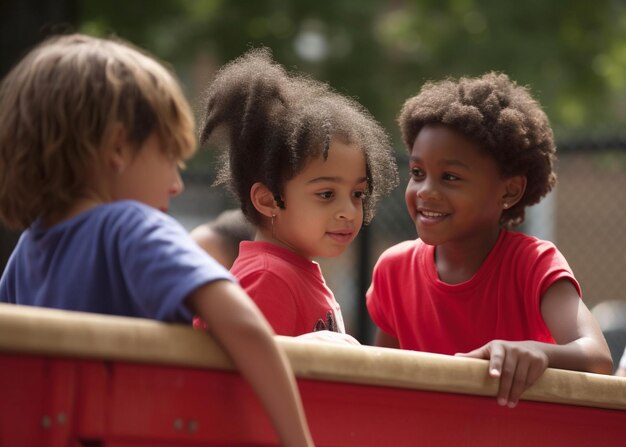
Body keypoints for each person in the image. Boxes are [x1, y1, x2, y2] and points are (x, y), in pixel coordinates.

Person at [0, 34, 314, 447]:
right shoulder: (131, 226)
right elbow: (243, 324)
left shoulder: (28, 250)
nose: (176, 185)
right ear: (117, 147)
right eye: (169, 156)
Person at [366, 72, 613, 408]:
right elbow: (383, 382)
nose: (425, 191)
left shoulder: (533, 264)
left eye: (450, 177)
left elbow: (597, 356)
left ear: (509, 191)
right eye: (418, 173)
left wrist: (533, 351)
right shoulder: (393, 270)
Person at [195, 48, 398, 338]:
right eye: (327, 194)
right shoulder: (267, 278)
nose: (350, 211)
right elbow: (252, 379)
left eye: (357, 194)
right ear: (268, 200)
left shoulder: (292, 272)